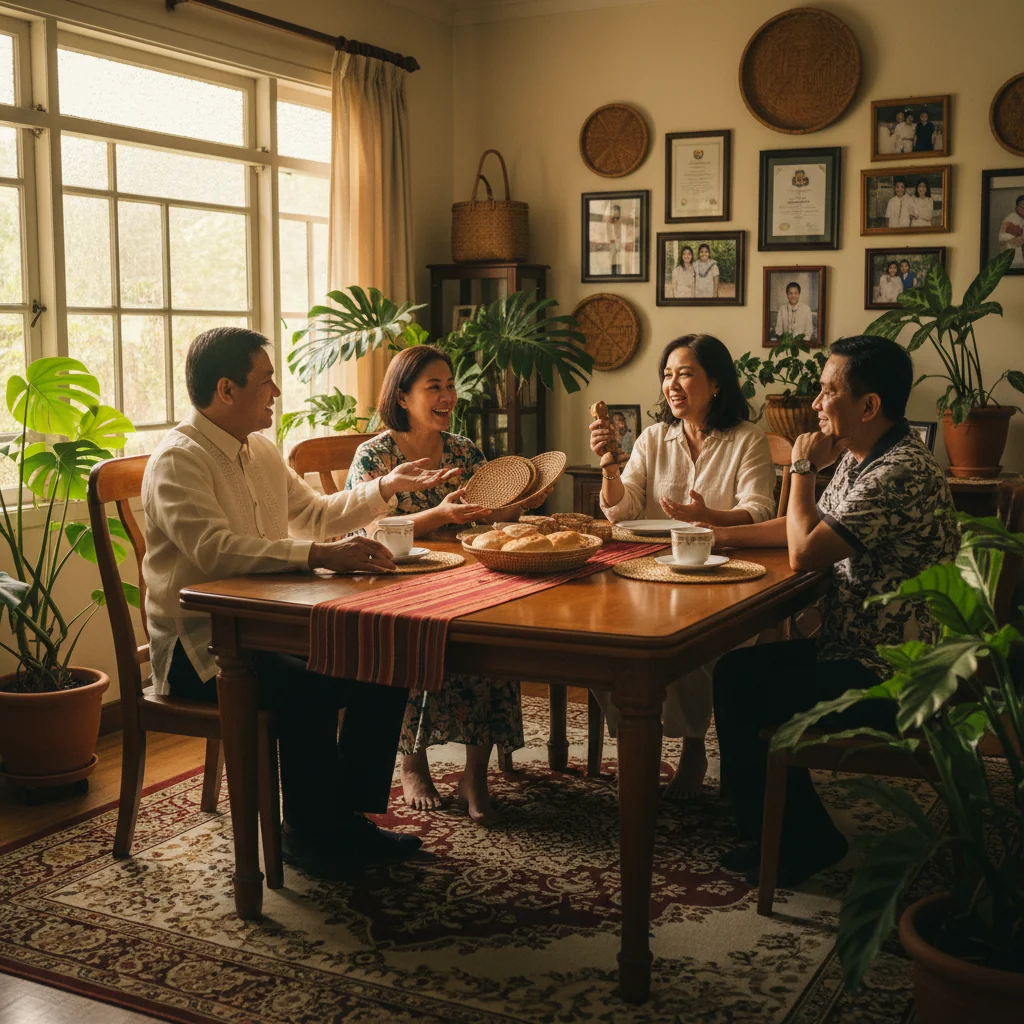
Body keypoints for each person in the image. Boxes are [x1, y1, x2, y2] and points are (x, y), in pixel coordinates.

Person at [142, 327, 462, 878]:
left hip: (266, 630)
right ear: (226, 389)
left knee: (383, 659)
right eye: (266, 381)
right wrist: (320, 555)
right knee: (312, 682)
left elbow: (315, 514)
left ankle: (341, 817)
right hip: (202, 651)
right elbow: (214, 553)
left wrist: (385, 487)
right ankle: (309, 835)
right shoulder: (179, 459)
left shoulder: (259, 450)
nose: (276, 391)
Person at [709, 335, 958, 886]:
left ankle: (799, 843)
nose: (815, 403)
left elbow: (803, 553)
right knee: (735, 673)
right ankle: (772, 832)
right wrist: (718, 537)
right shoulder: (867, 456)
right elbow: (810, 528)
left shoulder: (899, 472)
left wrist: (799, 468)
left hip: (891, 675)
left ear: (868, 405)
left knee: (743, 684)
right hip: (852, 648)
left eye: (827, 391)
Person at [345, 345, 553, 824]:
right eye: (433, 387)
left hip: (464, 576)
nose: (447, 396)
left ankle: (473, 776)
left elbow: (482, 516)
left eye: (449, 385)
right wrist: (437, 515)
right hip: (396, 584)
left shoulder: (464, 449)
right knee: (420, 638)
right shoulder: (375, 454)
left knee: (492, 640)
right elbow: (367, 532)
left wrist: (518, 505)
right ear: (402, 395)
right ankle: (412, 764)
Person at [591, 334, 775, 799]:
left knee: (689, 649)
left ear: (716, 383)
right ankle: (639, 739)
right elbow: (623, 510)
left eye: (685, 373)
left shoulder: (747, 439)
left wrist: (708, 518)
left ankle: (694, 747)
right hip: (648, 571)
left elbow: (759, 510)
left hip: (725, 574)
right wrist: (609, 463)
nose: (672, 385)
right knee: (606, 644)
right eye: (667, 375)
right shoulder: (654, 438)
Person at [998, 194, 1024, 269]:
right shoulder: (1011, 218)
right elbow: (1001, 237)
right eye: (1021, 205)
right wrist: (1013, 240)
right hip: (1013, 255)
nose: (1023, 208)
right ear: (1017, 206)